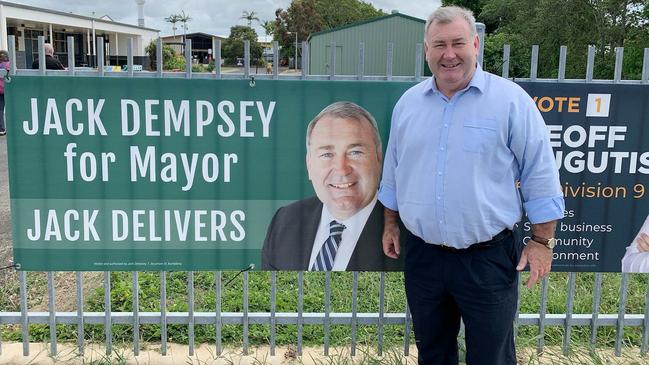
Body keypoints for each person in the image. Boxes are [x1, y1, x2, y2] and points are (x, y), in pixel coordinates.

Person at [378, 6, 564, 364]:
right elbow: (395, 169)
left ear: (475, 45)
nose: (449, 54)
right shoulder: (408, 105)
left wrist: (542, 241)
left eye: (458, 43)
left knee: (491, 357)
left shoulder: (510, 101)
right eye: (439, 45)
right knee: (432, 354)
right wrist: (389, 222)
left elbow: (540, 173)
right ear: (426, 52)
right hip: (424, 257)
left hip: (488, 260)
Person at [262, 101, 403, 271]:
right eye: (327, 154)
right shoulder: (284, 222)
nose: (342, 169)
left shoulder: (411, 235)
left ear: (379, 159)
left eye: (355, 152)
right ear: (309, 165)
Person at [0, 50, 8, 136]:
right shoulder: (10, 65)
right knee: (11, 109)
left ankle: (2, 129)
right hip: (9, 90)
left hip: (0, 91)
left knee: (0, 110)